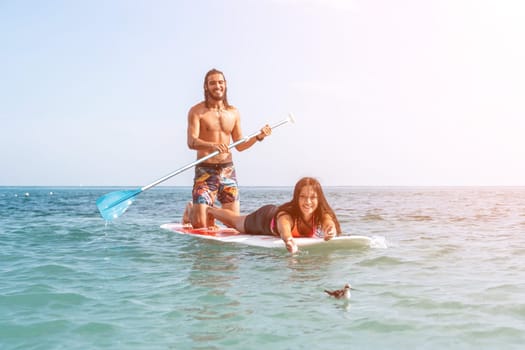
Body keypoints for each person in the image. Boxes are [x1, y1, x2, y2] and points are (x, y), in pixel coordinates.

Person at [183, 68, 272, 228]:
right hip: (205, 170)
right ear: (206, 87)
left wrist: (258, 137)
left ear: (225, 85)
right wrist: (212, 146)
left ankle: (209, 210)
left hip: (227, 171)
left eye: (220, 82)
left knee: (233, 225)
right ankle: (192, 210)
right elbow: (191, 142)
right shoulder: (197, 112)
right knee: (200, 225)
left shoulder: (234, 112)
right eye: (212, 83)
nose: (217, 86)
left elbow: (240, 145)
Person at [207, 177, 342, 253]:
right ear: (296, 198)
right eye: (303, 197)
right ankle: (210, 210)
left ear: (319, 199)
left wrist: (331, 231)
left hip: (275, 213)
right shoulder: (287, 216)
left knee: (236, 220)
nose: (308, 202)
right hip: (264, 219)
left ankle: (213, 209)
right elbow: (284, 229)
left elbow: (328, 223)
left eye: (313, 197)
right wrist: (288, 240)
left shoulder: (321, 214)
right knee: (235, 222)